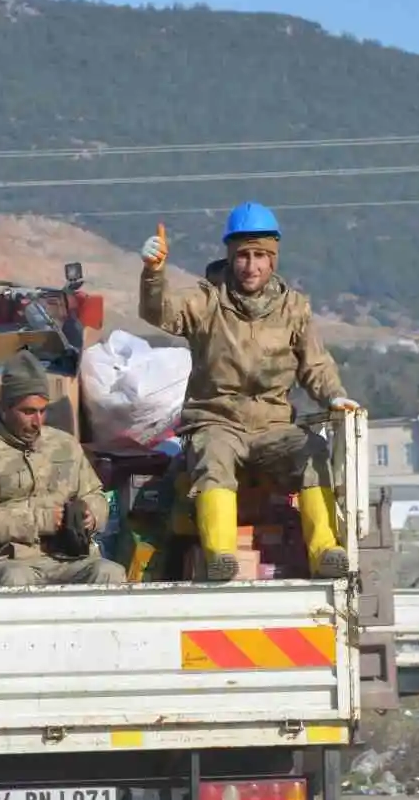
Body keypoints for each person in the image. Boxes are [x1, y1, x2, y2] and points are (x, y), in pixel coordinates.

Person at [138, 202, 360, 582]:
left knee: (313, 451)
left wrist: (335, 397)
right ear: (230, 256)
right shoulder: (206, 301)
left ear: (273, 259)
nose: (251, 265)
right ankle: (220, 555)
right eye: (243, 255)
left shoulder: (294, 308)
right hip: (218, 422)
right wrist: (153, 273)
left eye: (260, 255)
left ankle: (324, 550)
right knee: (214, 455)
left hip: (272, 427)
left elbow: (316, 366)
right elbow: (160, 312)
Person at [0, 350, 126, 587]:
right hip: (9, 560)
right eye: (28, 411)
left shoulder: (64, 445)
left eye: (43, 411)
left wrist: (91, 515)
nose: (37, 421)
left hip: (70, 557)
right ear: (6, 408)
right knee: (17, 580)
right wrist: (42, 520)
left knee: (109, 572)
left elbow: (94, 494)